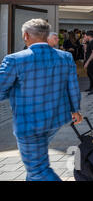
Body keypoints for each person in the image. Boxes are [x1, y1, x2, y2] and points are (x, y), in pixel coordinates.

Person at [0, 18, 82, 181]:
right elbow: (72, 87)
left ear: (25, 35)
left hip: (29, 124)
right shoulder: (65, 57)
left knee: (38, 170)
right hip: (56, 119)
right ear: (46, 36)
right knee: (35, 165)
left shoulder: (14, 59)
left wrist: (13, 91)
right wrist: (76, 110)